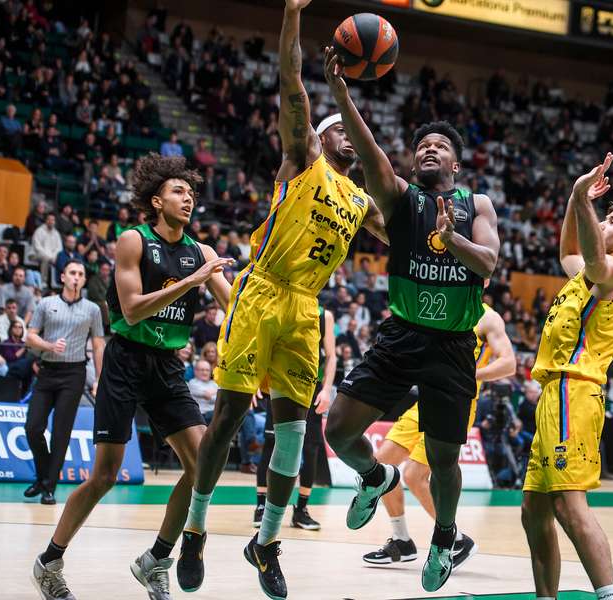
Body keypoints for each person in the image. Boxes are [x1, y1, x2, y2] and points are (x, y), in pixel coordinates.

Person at [176, 3, 387, 597]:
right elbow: (291, 84)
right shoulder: (304, 160)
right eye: (339, 127)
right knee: (228, 415)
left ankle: (265, 543)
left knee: (294, 431)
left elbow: (409, 231)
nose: (348, 132)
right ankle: (195, 529)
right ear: (319, 139)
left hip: (305, 307)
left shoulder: (361, 203)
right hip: (262, 289)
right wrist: (293, 16)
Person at [322, 46, 500, 592]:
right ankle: (376, 476)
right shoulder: (400, 199)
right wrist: (341, 94)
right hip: (401, 335)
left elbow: (489, 265)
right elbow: (372, 153)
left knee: (444, 460)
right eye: (421, 144)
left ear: (455, 161)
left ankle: (443, 538)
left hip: (452, 347)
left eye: (439, 145)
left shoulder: (478, 205)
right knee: (339, 430)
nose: (428, 150)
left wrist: (453, 240)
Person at [30, 154, 233, 600]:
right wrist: (192, 279)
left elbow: (236, 304)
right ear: (157, 200)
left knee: (204, 466)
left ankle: (156, 559)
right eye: (180, 191)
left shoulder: (202, 252)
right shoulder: (133, 240)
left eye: (193, 193)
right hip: (125, 360)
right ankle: (49, 561)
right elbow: (133, 306)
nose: (189, 198)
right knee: (104, 475)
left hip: (166, 365)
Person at [520, 153, 613, 600]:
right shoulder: (586, 274)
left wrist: (583, 199)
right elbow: (569, 252)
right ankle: (547, 598)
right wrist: (574, 199)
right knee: (533, 507)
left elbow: (594, 258)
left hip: (574, 392)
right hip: (554, 394)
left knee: (568, 504)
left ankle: (608, 597)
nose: (603, 223)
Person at [362, 302, 515, 571]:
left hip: (458, 403)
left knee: (414, 475)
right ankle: (402, 541)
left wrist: (469, 375)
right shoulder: (443, 306)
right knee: (381, 466)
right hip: (426, 400)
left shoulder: (489, 318)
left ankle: (455, 539)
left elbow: (509, 363)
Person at [23, 260, 105, 506]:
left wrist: (99, 378)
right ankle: (43, 474)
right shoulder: (46, 304)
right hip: (47, 371)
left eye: (80, 273)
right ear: (62, 277)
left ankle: (48, 487)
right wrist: (49, 346)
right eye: (72, 273)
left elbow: (99, 344)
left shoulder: (93, 309)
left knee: (61, 432)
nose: (77, 277)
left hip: (74, 374)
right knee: (33, 427)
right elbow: (30, 336)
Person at [253, 305, 336, 531]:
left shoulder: (323, 315)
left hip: (310, 387)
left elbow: (330, 356)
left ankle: (301, 510)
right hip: (279, 382)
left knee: (310, 448)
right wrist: (255, 380)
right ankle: (261, 506)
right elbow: (262, 345)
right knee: (271, 442)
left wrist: (327, 389)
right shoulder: (283, 305)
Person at [32, 213, 63, 287]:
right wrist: (49, 256)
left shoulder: (56, 233)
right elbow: (37, 247)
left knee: (61, 258)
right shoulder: (39, 231)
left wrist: (53, 256)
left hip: (52, 256)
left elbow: (59, 248)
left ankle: (58, 282)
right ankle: (43, 282)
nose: (51, 221)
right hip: (36, 255)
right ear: (46, 220)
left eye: (52, 220)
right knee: (45, 258)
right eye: (49, 219)